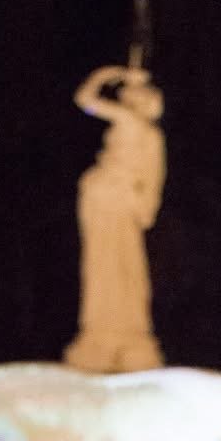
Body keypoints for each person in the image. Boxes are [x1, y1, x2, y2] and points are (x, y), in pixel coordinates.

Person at [63, 64, 166, 373]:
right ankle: (103, 330)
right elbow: (87, 102)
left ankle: (122, 332)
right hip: (103, 198)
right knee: (104, 266)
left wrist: (107, 75)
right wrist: (113, 73)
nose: (128, 101)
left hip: (118, 201)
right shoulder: (138, 127)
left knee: (122, 268)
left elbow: (86, 100)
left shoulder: (137, 126)